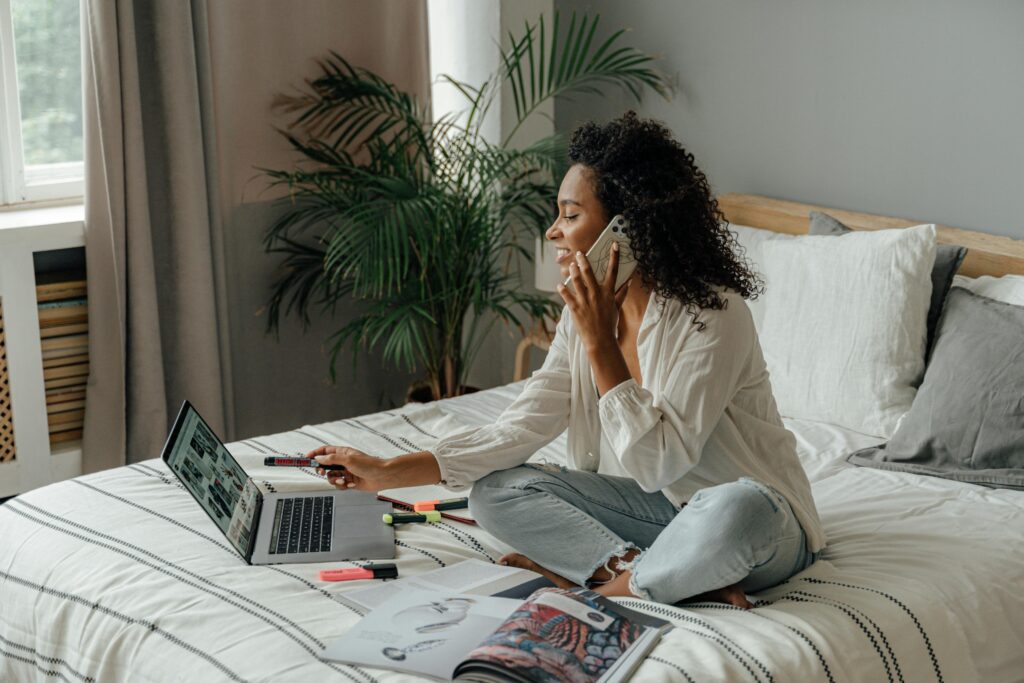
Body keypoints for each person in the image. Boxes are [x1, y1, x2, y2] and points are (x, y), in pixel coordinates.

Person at [310, 111, 824, 609]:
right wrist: (385, 472)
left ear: (627, 229)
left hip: (762, 524)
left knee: (738, 507)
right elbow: (520, 428)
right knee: (494, 491)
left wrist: (602, 343)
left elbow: (660, 462)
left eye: (571, 215)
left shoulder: (711, 314)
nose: (553, 231)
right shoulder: (584, 320)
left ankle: (602, 592)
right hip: (666, 513)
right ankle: (660, 576)